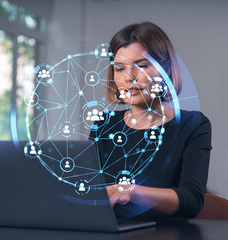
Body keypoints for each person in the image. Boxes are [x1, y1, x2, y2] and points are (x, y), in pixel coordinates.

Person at [89, 22, 212, 220]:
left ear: (165, 70)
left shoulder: (194, 125)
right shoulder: (103, 123)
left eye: (141, 66)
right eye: (119, 68)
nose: (129, 77)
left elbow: (192, 201)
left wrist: (132, 192)